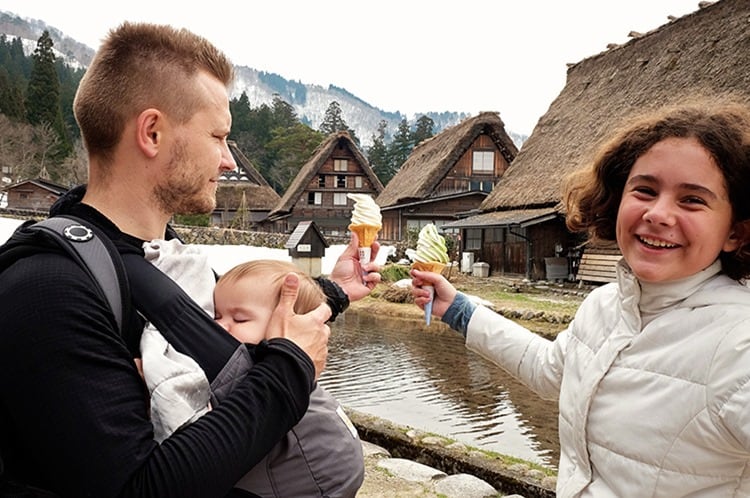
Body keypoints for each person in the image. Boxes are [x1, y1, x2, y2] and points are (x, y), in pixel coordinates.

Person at [0, 21, 380, 498]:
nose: (228, 161)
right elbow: (138, 489)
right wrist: (288, 373)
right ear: (153, 132)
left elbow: (232, 332)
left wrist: (334, 291)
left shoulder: (162, 258)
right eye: (218, 136)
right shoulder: (49, 289)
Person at [411, 97, 750, 497]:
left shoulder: (737, 344)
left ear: (735, 233)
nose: (658, 214)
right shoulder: (606, 305)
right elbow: (551, 371)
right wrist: (460, 310)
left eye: (692, 199)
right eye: (644, 190)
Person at [138, 241, 364, 497]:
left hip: (312, 483)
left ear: (292, 327)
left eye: (239, 319)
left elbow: (191, 407)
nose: (220, 327)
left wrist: (153, 371)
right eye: (216, 316)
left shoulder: (253, 369)